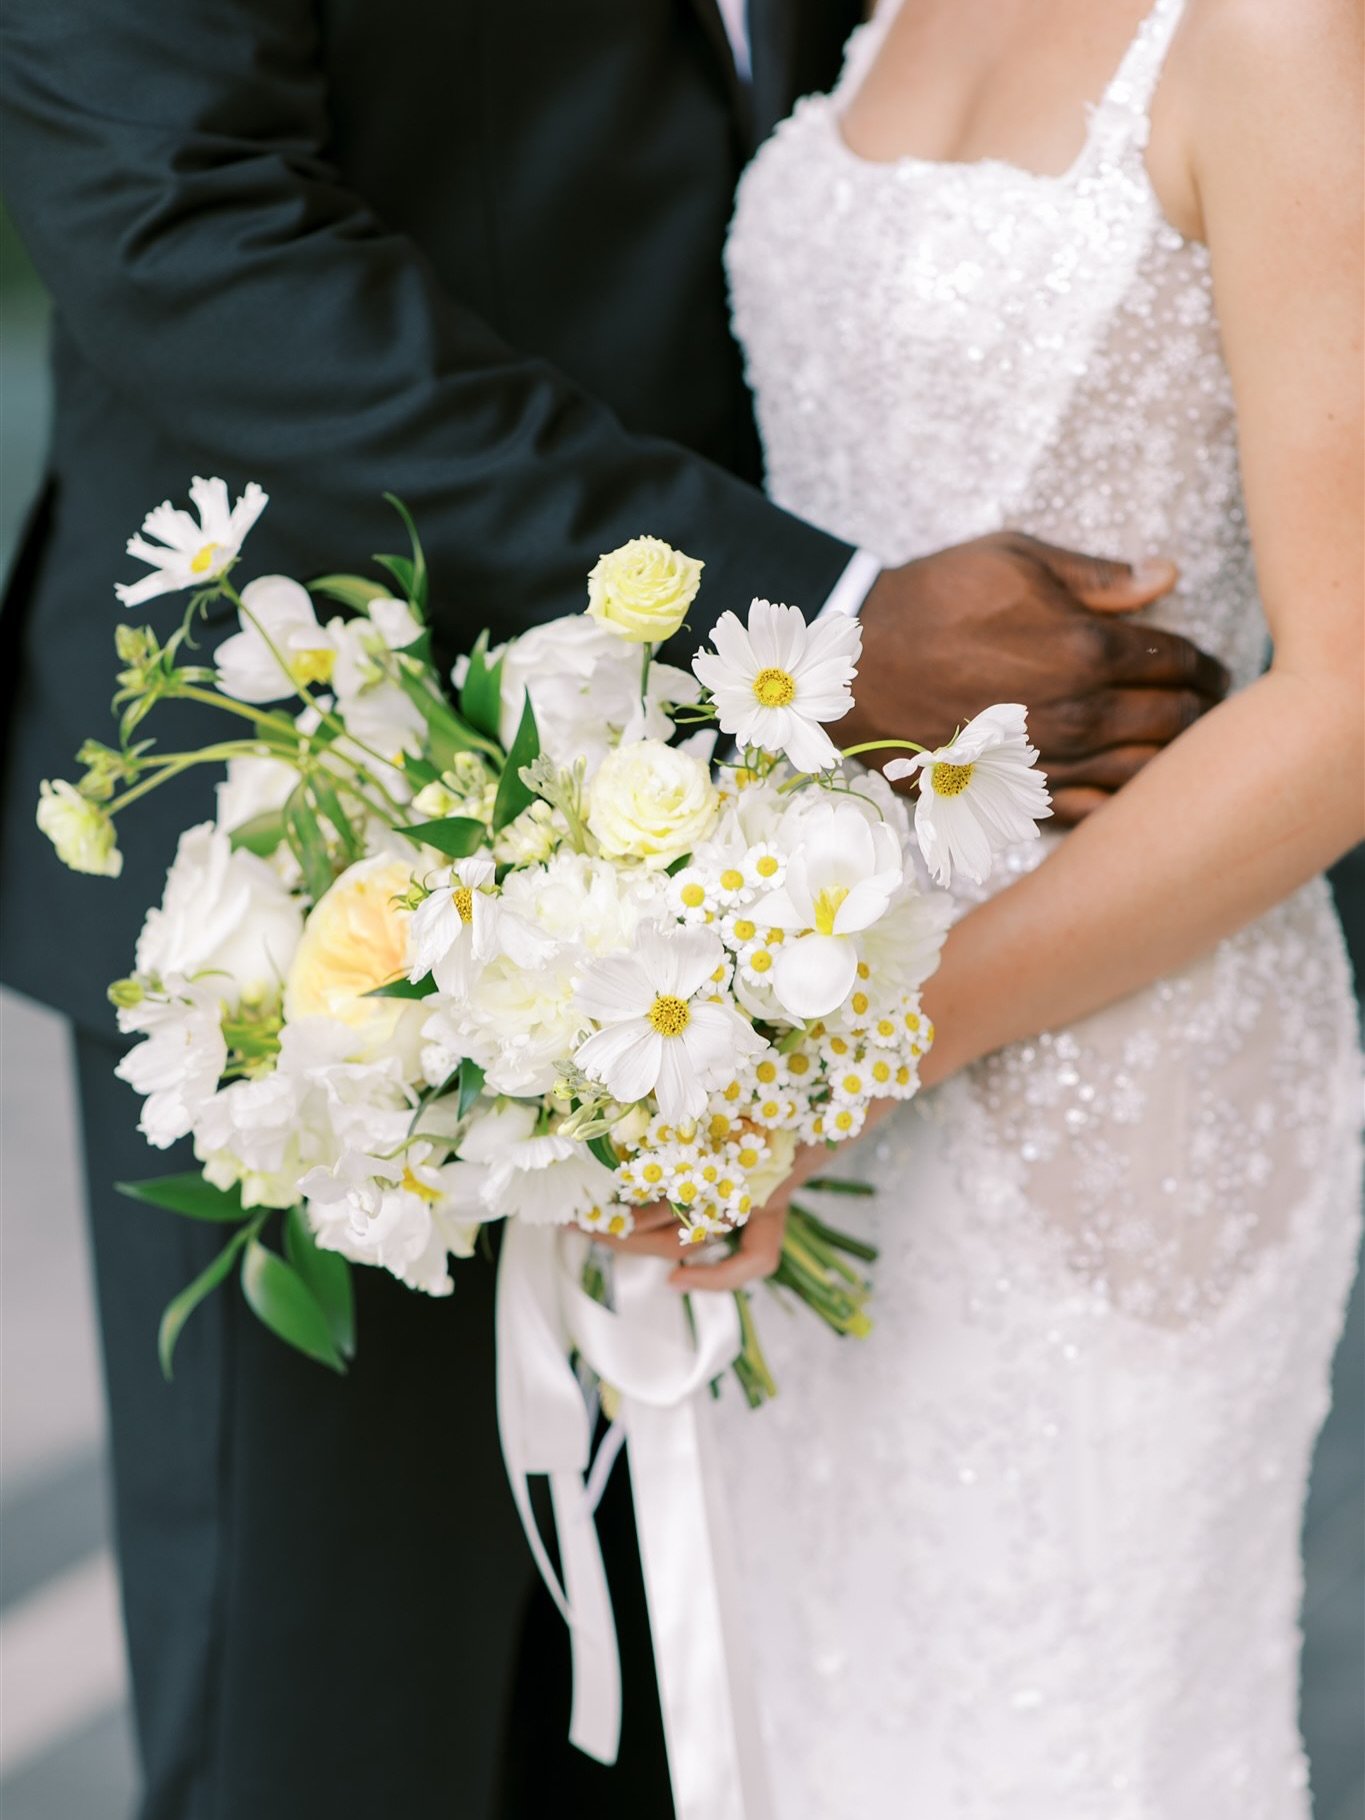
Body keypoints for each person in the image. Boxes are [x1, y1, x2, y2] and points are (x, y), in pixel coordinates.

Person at [0, 3, 1226, 1815]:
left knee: (710, 1716)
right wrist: (808, 621)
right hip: (336, 845)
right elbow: (179, 216)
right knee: (339, 1725)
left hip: (833, 876)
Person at [627, 1, 1358, 1813]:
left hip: (1107, 1075)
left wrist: (850, 1050)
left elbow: (1351, 696)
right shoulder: (863, 12)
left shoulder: (1271, 34)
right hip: (799, 1063)